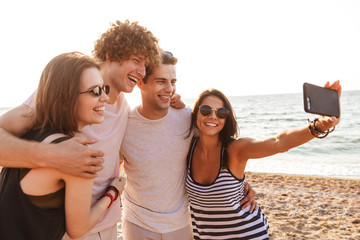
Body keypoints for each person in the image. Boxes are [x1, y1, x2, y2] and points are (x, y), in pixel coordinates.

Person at [0, 20, 161, 239]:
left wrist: (171, 102)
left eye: (146, 65)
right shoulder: (64, 94)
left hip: (108, 224)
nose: (142, 71)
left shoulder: (124, 107)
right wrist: (54, 155)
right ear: (109, 55)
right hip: (66, 227)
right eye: (135, 60)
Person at [120, 51, 257, 240]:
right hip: (137, 224)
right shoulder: (124, 124)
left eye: (173, 82)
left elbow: (214, 151)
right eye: (161, 81)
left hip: (181, 224)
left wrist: (241, 184)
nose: (170, 89)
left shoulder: (187, 118)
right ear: (141, 82)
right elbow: (111, 170)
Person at [185, 82, 341, 239]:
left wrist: (321, 125)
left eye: (221, 112)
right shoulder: (187, 147)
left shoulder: (235, 149)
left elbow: (278, 142)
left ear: (226, 119)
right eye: (205, 110)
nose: (213, 116)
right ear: (195, 113)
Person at [0, 52, 125, 240]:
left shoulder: (28, 136)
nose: (105, 98)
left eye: (104, 88)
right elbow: (78, 229)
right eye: (95, 91)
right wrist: (113, 192)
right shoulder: (78, 156)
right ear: (67, 99)